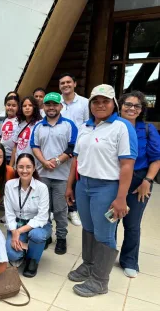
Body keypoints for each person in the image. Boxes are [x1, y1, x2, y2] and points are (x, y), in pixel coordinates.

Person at [65, 84, 137, 297]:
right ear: (90, 105)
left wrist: (121, 197)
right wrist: (70, 185)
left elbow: (127, 165)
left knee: (104, 233)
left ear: (113, 104)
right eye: (95, 101)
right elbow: (76, 159)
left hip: (106, 187)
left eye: (105, 101)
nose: (100, 105)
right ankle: (88, 264)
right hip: (83, 184)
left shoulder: (121, 127)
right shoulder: (85, 127)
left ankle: (99, 280)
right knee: (88, 228)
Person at [117, 91, 160, 278]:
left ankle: (129, 260)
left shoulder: (148, 130)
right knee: (110, 220)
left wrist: (147, 181)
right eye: (128, 104)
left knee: (132, 223)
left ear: (141, 109)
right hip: (114, 180)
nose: (131, 108)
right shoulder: (112, 127)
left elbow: (156, 159)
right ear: (120, 106)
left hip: (138, 182)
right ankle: (105, 255)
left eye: (136, 106)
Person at [31, 92, 77, 255]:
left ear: (60, 106)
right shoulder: (38, 126)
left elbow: (73, 147)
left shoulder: (69, 125)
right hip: (42, 174)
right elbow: (34, 146)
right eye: (48, 104)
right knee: (43, 208)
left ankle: (61, 237)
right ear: (43, 107)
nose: (51, 107)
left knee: (59, 210)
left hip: (62, 176)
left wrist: (57, 161)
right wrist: (44, 162)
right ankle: (45, 235)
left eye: (54, 104)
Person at [4, 153, 52, 277]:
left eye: (28, 167)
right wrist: (14, 231)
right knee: (12, 254)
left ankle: (33, 260)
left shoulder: (42, 188)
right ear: (16, 167)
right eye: (20, 167)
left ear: (34, 168)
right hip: (17, 224)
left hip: (38, 226)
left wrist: (18, 232)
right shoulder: (9, 185)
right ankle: (32, 248)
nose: (24, 171)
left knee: (36, 235)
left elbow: (42, 217)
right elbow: (9, 213)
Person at [59, 73, 89, 227]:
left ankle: (72, 209)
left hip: (77, 149)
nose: (65, 85)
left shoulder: (84, 103)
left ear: (75, 84)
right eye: (62, 83)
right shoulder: (56, 102)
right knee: (59, 178)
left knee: (75, 179)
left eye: (68, 82)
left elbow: (88, 125)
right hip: (58, 148)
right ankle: (57, 209)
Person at [10, 96, 42, 167]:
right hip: (19, 164)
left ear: (35, 107)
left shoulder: (40, 124)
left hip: (34, 165)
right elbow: (15, 147)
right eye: (24, 106)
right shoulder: (20, 124)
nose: (27, 108)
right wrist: (11, 166)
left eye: (30, 105)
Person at [0, 95, 19, 162]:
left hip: (12, 156)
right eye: (8, 105)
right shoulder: (4, 120)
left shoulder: (19, 121)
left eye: (14, 106)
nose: (10, 107)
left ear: (18, 107)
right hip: (2, 154)